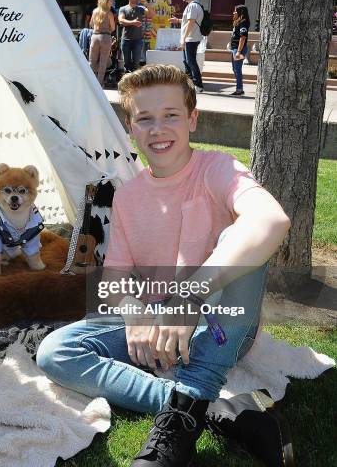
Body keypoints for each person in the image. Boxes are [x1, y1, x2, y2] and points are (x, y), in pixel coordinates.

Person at [37, 65, 292, 467]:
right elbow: (116, 278)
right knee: (55, 352)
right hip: (160, 323)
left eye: (171, 115)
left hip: (221, 324)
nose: (158, 129)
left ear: (192, 119)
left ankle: (191, 398)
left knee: (243, 236)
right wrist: (135, 312)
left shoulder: (219, 169)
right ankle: (210, 411)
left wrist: (189, 297)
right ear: (130, 127)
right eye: (145, 118)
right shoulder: (128, 196)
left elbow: (272, 221)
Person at [169, 0, 204, 92]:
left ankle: (198, 85)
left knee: (191, 61)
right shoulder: (194, 5)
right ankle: (190, 84)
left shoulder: (193, 6)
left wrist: (183, 39)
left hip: (191, 38)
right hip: (191, 37)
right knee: (187, 61)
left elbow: (191, 22)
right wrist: (178, 21)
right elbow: (188, 21)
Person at [119, 0, 153, 73]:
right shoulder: (123, 8)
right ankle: (127, 81)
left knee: (136, 63)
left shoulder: (141, 8)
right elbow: (121, 20)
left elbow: (151, 15)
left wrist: (146, 3)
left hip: (138, 39)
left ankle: (135, 83)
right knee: (126, 63)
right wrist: (133, 22)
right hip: (126, 39)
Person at [89, 0, 116, 87]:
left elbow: (91, 24)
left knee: (92, 61)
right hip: (105, 37)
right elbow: (113, 28)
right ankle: (99, 84)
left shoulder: (95, 11)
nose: (111, 3)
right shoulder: (109, 13)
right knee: (103, 61)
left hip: (95, 37)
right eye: (110, 1)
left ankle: (90, 81)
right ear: (106, 2)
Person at [229, 4, 250, 96]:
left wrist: (238, 51)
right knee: (235, 69)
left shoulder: (243, 23)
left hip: (239, 49)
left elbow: (243, 37)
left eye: (236, 11)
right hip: (235, 48)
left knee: (237, 69)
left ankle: (239, 89)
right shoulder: (238, 22)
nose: (234, 13)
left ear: (241, 13)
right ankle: (239, 88)